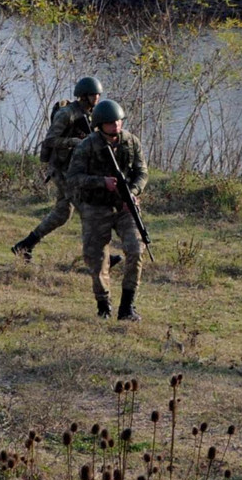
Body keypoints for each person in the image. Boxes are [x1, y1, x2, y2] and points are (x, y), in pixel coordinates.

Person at [66, 99, 148, 320]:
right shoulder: (86, 146)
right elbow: (73, 178)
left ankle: (127, 307)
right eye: (111, 123)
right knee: (96, 257)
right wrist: (101, 182)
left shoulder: (131, 143)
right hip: (95, 206)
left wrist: (132, 192)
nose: (116, 126)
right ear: (100, 125)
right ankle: (103, 304)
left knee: (136, 249)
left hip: (124, 206)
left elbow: (142, 173)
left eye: (118, 122)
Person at [11, 77, 105, 262]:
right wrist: (74, 142)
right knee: (87, 210)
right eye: (94, 94)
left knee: (62, 213)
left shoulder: (93, 114)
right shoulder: (67, 114)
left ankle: (25, 245)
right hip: (62, 170)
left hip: (76, 169)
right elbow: (50, 140)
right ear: (84, 96)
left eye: (99, 94)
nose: (97, 97)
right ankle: (101, 258)